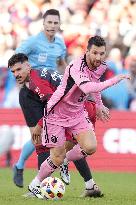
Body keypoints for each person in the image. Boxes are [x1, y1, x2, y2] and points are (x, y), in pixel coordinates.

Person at [12, 9, 103, 197]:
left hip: (54, 93)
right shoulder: (31, 42)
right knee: (42, 140)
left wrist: (67, 78)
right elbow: (17, 62)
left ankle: (89, 185)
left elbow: (62, 63)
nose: (52, 26)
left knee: (68, 141)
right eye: (49, 22)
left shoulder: (60, 44)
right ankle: (28, 175)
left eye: (55, 23)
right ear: (43, 24)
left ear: (59, 25)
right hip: (32, 94)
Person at [26, 35, 130, 199]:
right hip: (56, 113)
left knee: (90, 147)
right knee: (56, 157)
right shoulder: (76, 66)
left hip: (77, 113)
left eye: (101, 54)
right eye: (94, 53)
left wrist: (100, 104)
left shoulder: (100, 66)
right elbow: (88, 87)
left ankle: (66, 161)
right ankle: (35, 185)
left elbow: (95, 85)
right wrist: (116, 79)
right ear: (87, 51)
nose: (98, 57)